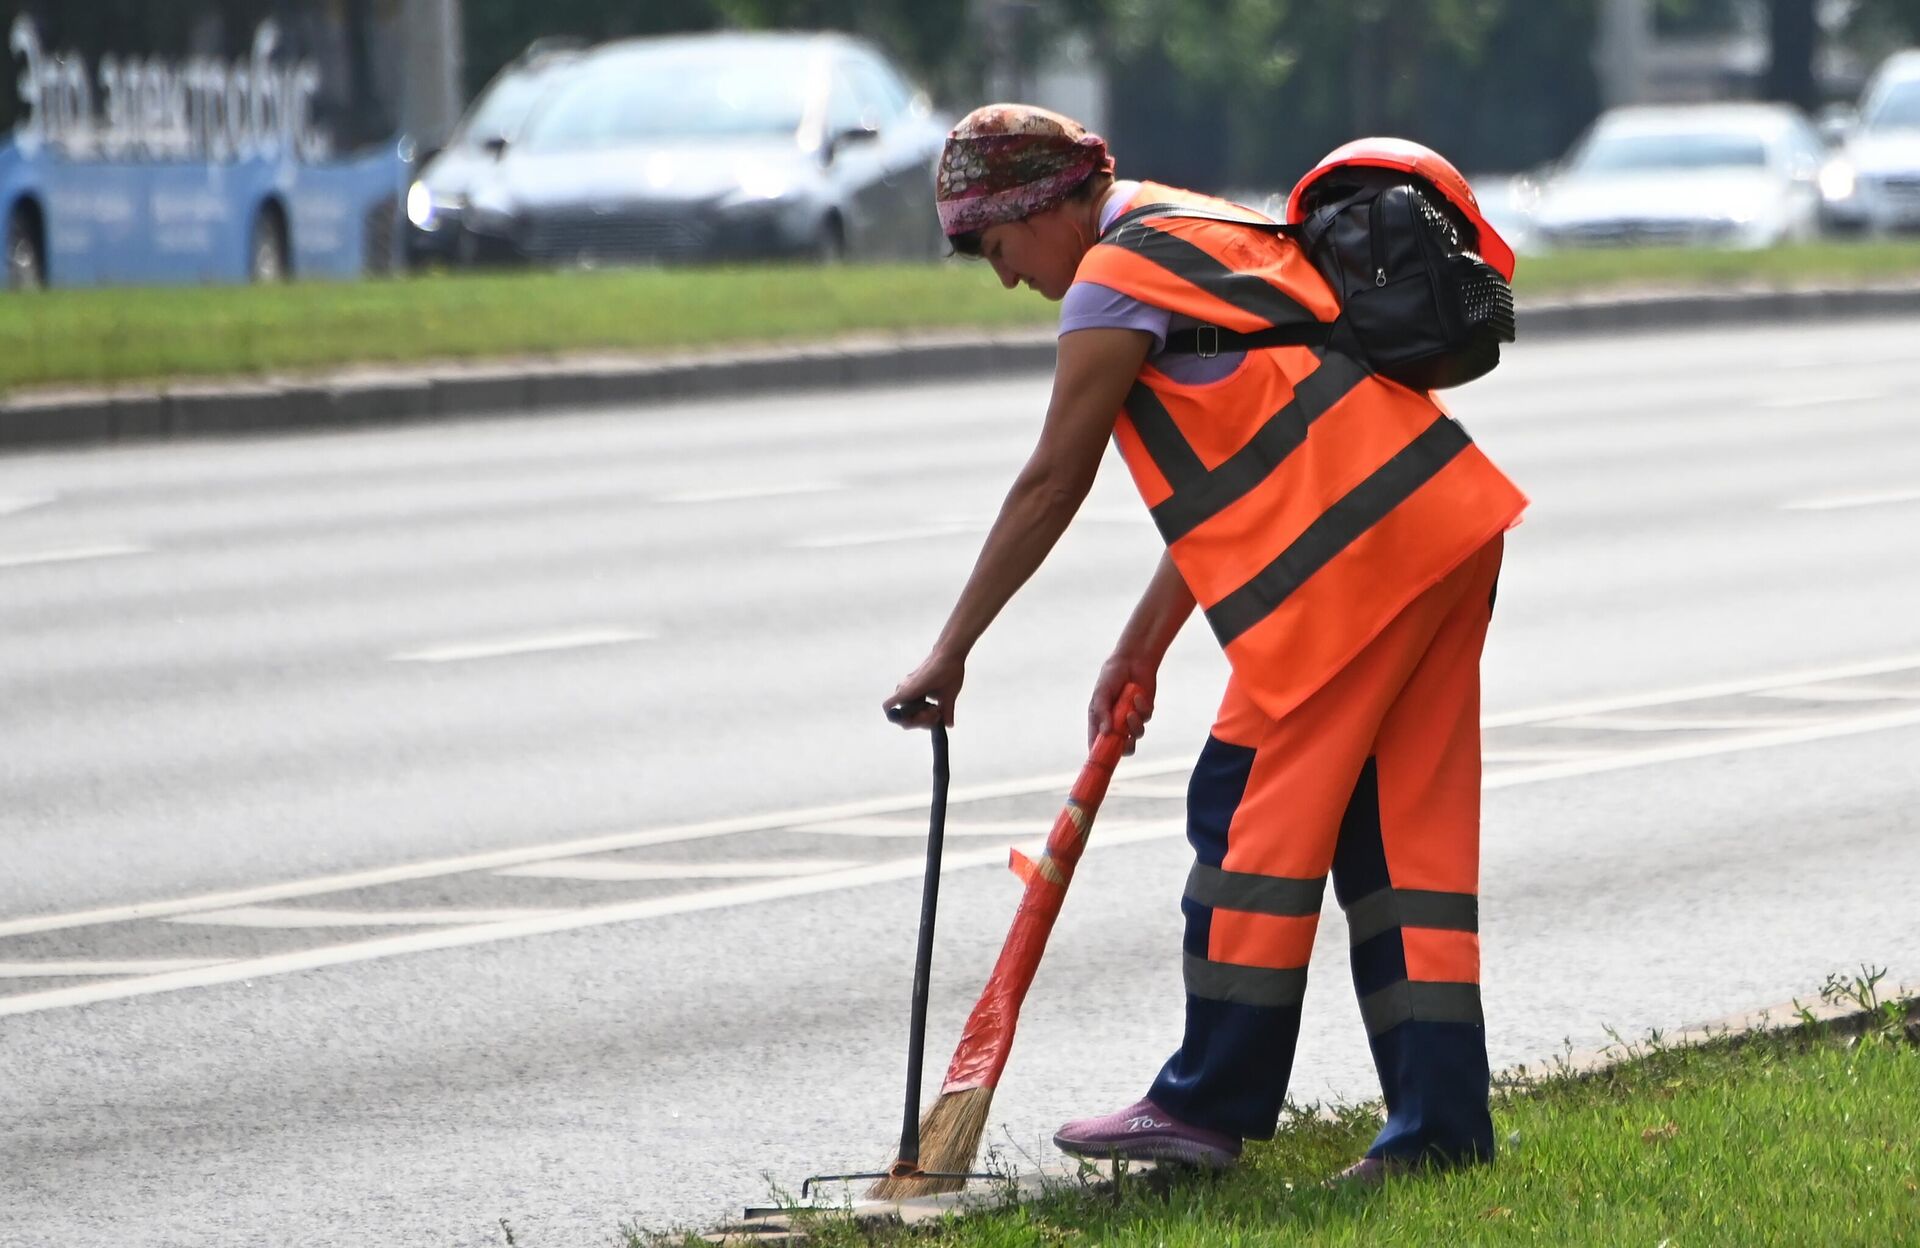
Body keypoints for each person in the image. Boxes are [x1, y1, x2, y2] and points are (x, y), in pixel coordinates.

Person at [883, 104, 1528, 1184]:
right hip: (1435, 527)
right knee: (1398, 847)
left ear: (1043, 206)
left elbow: (1053, 479)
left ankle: (1205, 1103)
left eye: (999, 249)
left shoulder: (1113, 277)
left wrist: (951, 652)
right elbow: (1258, 441)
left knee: (1244, 816)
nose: (1007, 279)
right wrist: (1141, 645)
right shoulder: (1194, 226)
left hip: (1351, 568)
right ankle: (1442, 1133)